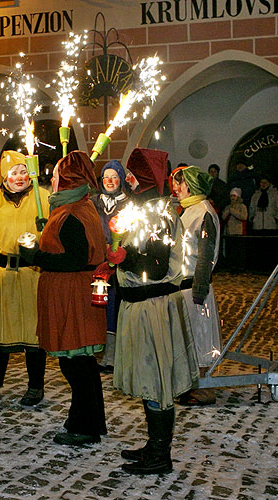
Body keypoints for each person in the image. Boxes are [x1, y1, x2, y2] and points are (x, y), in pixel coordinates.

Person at [109, 155, 198, 475]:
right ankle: (153, 444)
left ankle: (161, 454)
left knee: (157, 380)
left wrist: (126, 259)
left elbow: (157, 266)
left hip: (153, 309)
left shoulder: (159, 215)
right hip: (140, 307)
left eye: (133, 175)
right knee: (150, 379)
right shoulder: (144, 210)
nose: (128, 180)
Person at [19, 151, 107, 445]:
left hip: (72, 294)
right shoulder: (77, 208)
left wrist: (36, 255)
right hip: (74, 290)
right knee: (83, 365)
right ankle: (88, 419)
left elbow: (73, 259)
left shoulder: (72, 214)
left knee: (76, 365)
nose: (52, 180)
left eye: (56, 175)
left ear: (68, 180)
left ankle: (85, 427)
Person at [0, 151, 50, 407]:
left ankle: (36, 386)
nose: (19, 177)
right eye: (13, 173)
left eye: (23, 171)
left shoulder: (44, 198)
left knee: (34, 335)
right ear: (3, 176)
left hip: (32, 274)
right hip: (0, 275)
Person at [170, 165, 222, 406]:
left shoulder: (203, 212)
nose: (176, 188)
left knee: (200, 338)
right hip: (183, 286)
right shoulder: (189, 211)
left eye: (181, 183)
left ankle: (203, 389)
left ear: (192, 185)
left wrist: (200, 288)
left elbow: (205, 254)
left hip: (195, 287)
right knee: (187, 338)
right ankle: (189, 385)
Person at [89, 159, 130, 373]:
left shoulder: (128, 203)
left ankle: (113, 355)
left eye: (114, 177)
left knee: (114, 306)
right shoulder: (94, 202)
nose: (110, 181)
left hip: (118, 263)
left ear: (121, 180)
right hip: (97, 262)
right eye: (106, 177)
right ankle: (97, 351)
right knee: (98, 305)